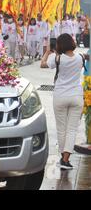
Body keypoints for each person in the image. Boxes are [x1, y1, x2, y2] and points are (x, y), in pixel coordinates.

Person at [41, 34, 87, 170]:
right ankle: (66, 159)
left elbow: (43, 64)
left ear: (59, 45)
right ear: (72, 43)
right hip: (76, 96)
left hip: (60, 96)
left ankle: (63, 159)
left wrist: (47, 51)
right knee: (72, 129)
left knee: (62, 129)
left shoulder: (58, 58)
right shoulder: (80, 57)